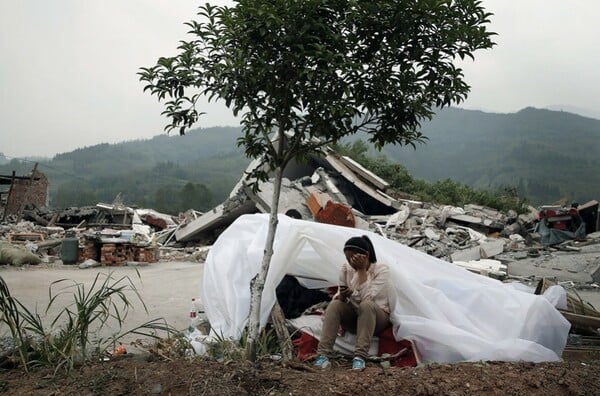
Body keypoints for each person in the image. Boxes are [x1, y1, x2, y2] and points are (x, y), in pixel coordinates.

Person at [314, 235, 391, 370]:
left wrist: (362, 271)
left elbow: (368, 298)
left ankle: (360, 356)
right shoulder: (346, 269)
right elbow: (339, 294)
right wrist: (342, 296)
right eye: (348, 258)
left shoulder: (381, 270)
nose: (351, 263)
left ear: (366, 255)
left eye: (353, 258)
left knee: (366, 306)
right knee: (335, 305)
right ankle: (322, 355)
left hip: (376, 317)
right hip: (354, 316)